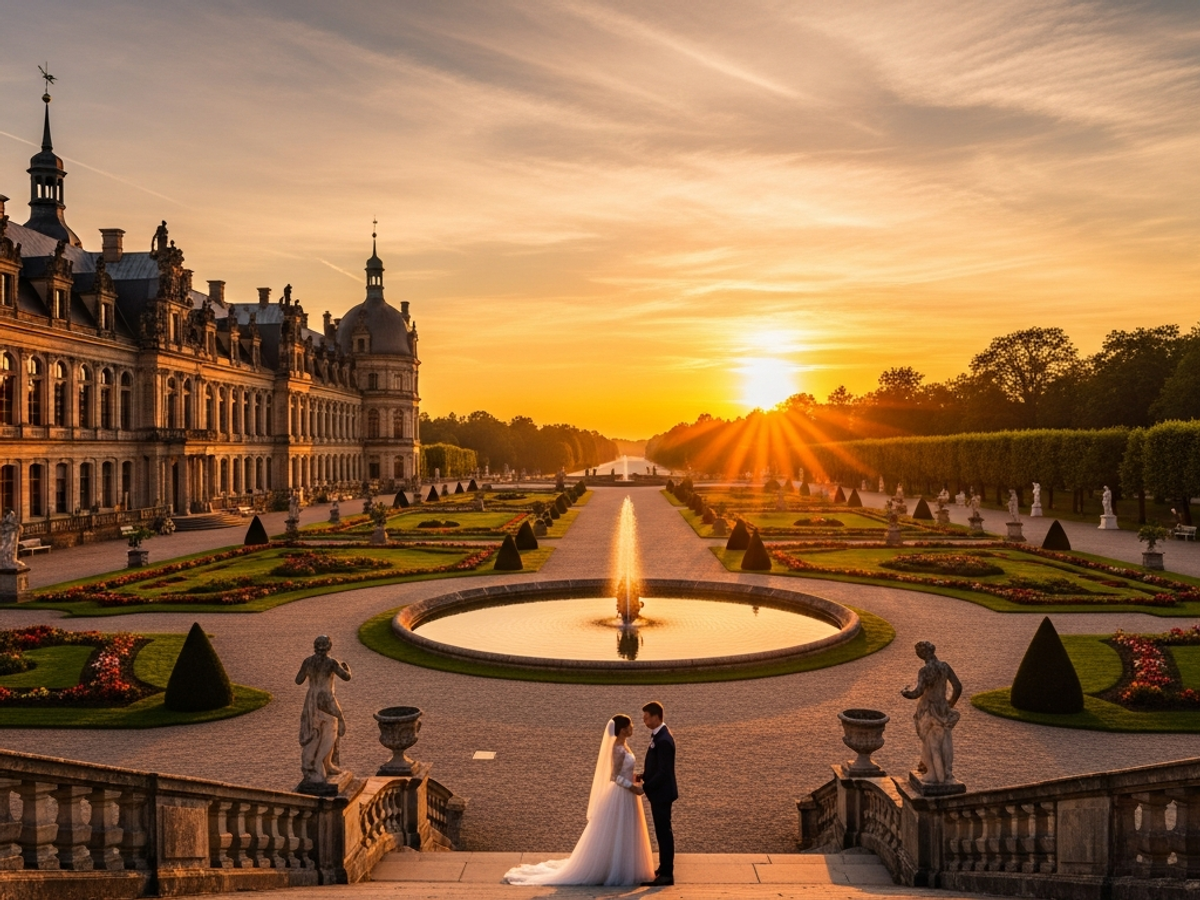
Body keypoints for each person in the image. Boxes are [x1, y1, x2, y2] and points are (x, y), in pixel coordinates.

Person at [504, 715, 654, 886]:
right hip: (622, 794)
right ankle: (615, 868)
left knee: (625, 830)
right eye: (629, 725)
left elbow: (624, 771)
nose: (633, 727)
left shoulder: (623, 746)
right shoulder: (618, 749)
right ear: (622, 729)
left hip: (626, 793)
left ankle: (621, 865)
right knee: (618, 830)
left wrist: (634, 777)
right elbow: (615, 777)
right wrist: (634, 788)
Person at [901, 641, 962, 785]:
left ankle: (935, 774)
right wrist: (949, 703)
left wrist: (905, 692)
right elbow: (958, 687)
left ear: (922, 654)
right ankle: (944, 772)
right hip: (942, 707)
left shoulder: (925, 671)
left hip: (928, 708)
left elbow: (917, 692)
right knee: (944, 739)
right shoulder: (945, 666)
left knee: (931, 741)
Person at [296, 635, 352, 786]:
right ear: (329, 647)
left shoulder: (308, 661)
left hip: (312, 699)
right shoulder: (331, 662)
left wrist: (309, 671)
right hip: (326, 698)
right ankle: (320, 763)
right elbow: (346, 677)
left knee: (316, 732)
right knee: (336, 727)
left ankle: (326, 764)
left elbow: (298, 680)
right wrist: (347, 667)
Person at [637, 701, 678, 886]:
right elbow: (655, 768)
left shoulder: (663, 740)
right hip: (660, 794)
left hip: (662, 795)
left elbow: (663, 772)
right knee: (662, 832)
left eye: (646, 717)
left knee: (664, 833)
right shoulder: (659, 736)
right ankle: (663, 868)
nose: (644, 721)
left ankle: (667, 874)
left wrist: (645, 788)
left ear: (656, 716)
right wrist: (643, 775)